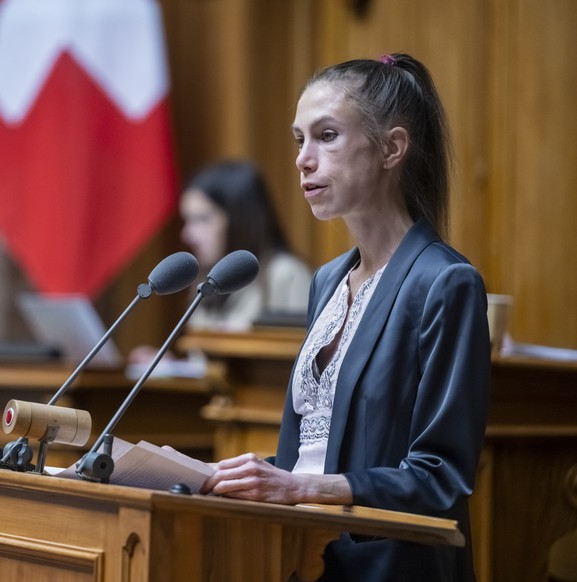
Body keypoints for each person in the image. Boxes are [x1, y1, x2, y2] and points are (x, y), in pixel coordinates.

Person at [198, 54, 490, 580]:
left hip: (391, 564)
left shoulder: (446, 282)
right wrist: (233, 474)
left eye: (326, 136)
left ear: (392, 148)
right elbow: (313, 452)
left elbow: (441, 477)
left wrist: (301, 487)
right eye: (298, 139)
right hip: (306, 557)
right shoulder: (326, 281)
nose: (303, 160)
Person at [181, 159, 312, 331]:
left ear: (239, 220)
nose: (186, 235)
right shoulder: (204, 280)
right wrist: (170, 359)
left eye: (202, 219)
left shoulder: (286, 274)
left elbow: (305, 353)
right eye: (187, 220)